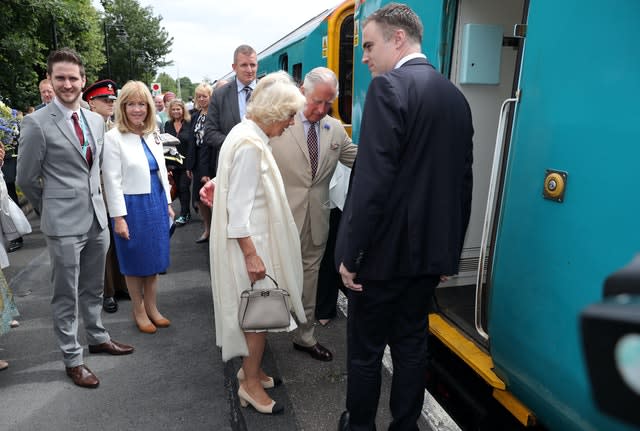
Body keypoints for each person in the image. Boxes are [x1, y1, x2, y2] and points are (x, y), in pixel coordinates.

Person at [335, 4, 474, 430]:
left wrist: (351, 256)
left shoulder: (389, 88)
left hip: (380, 260)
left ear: (399, 39)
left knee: (365, 352)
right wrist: (448, 254)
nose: (364, 57)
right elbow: (461, 183)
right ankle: (406, 425)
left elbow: (372, 185)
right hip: (427, 260)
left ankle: (359, 426)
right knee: (413, 345)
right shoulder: (455, 96)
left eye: (370, 45)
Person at [17, 48, 134, 389]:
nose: (67, 84)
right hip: (63, 223)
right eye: (60, 78)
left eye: (73, 78)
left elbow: (95, 170)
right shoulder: (36, 123)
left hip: (96, 220)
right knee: (65, 294)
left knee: (94, 287)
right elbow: (25, 179)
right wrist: (50, 208)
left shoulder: (96, 120)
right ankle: (73, 357)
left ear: (83, 80)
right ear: (51, 81)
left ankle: (97, 337)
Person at [210, 71, 306, 415]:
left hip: (254, 242)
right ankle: (249, 385)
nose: (291, 123)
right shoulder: (251, 144)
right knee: (260, 315)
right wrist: (252, 256)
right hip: (253, 245)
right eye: (289, 115)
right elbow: (239, 210)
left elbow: (235, 184)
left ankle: (252, 370)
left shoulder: (244, 133)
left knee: (256, 312)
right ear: (273, 112)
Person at [270, 67, 357, 362]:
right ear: (302, 92)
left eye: (328, 103)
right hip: (278, 219)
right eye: (316, 102)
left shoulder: (334, 129)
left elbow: (361, 159)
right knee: (271, 278)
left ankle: (305, 336)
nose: (321, 110)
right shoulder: (278, 121)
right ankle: (260, 337)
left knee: (310, 280)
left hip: (315, 222)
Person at [102, 80, 174, 335]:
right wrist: (119, 218)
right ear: (123, 107)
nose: (137, 109)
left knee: (154, 259)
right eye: (131, 104)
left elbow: (161, 169)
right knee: (134, 261)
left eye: (141, 104)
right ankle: (139, 309)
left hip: (154, 201)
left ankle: (153, 307)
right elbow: (111, 181)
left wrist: (166, 203)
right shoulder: (113, 138)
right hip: (131, 206)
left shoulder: (152, 132)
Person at [83, 79, 129, 313]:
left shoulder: (112, 126)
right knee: (101, 246)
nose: (110, 103)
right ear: (91, 103)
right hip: (96, 192)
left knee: (117, 239)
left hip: (114, 190)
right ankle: (106, 292)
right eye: (105, 100)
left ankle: (121, 286)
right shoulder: (85, 127)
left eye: (112, 99)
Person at [202, 45, 258, 189]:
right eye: (244, 65)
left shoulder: (269, 92)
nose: (249, 70)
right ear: (234, 67)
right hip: (231, 168)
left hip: (262, 166)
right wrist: (238, 145)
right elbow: (209, 133)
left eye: (253, 65)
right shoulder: (220, 95)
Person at [186, 83, 213, 243]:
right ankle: (207, 229)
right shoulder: (195, 116)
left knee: (212, 200)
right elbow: (192, 142)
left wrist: (208, 170)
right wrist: (189, 165)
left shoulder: (215, 115)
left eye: (205, 96)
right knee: (199, 199)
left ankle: (217, 232)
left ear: (211, 96)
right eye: (199, 96)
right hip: (197, 164)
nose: (201, 99)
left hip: (210, 163)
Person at [164, 98, 192, 226]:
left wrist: (190, 166)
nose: (176, 111)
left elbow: (192, 145)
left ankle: (184, 213)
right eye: (173, 109)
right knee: (179, 190)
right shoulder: (168, 125)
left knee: (183, 187)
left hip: (186, 163)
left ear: (183, 110)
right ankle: (186, 212)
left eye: (178, 109)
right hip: (173, 163)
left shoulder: (189, 123)